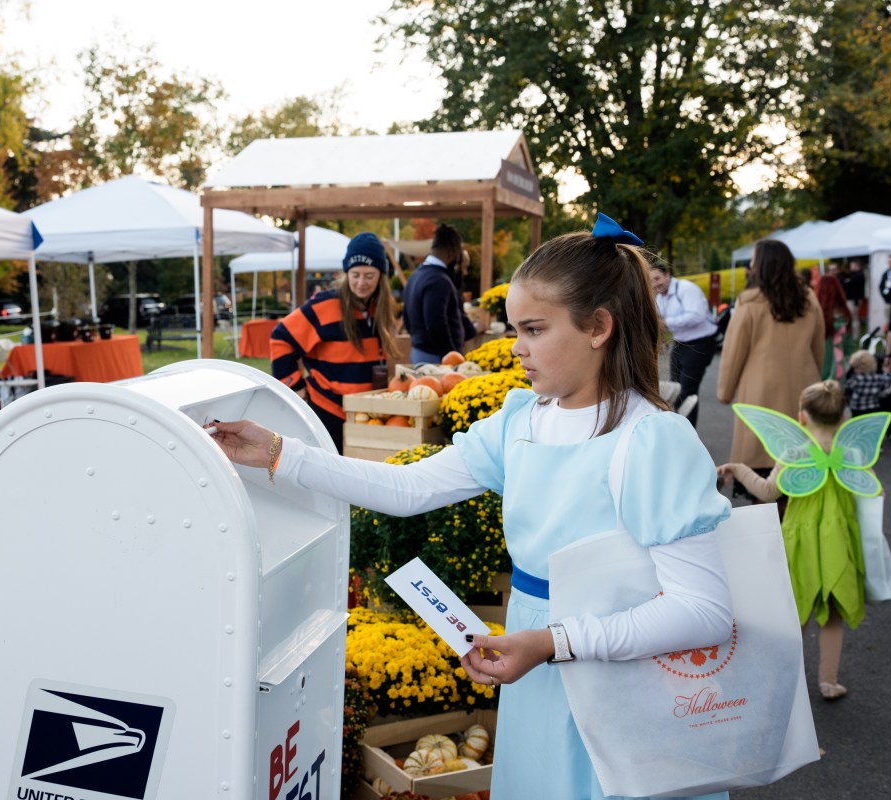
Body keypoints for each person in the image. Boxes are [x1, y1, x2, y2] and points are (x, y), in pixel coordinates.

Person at [214, 214, 734, 799]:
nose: (517, 348)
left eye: (534, 329)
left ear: (598, 327)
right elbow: (409, 489)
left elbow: (705, 611)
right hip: (537, 671)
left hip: (623, 685)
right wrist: (283, 453)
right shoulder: (523, 420)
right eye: (516, 329)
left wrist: (552, 643)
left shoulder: (653, 440)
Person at [718, 381, 887, 700]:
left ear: (801, 417)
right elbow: (874, 491)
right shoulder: (850, 453)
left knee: (796, 609)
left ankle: (787, 678)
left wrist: (739, 468)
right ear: (843, 419)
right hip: (839, 542)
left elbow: (768, 492)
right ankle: (828, 681)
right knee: (833, 612)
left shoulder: (795, 454)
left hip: (800, 543)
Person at [269, 232, 399, 451]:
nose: (361, 282)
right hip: (328, 410)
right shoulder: (325, 305)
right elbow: (280, 337)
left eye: (369, 276)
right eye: (355, 274)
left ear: (381, 276)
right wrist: (295, 388)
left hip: (366, 411)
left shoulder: (380, 307)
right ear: (346, 273)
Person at [718, 239, 824, 489]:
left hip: (759, 395)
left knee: (762, 468)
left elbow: (734, 352)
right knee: (800, 461)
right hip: (803, 389)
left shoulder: (749, 303)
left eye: (753, 261)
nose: (749, 267)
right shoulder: (808, 298)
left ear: (761, 267)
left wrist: (725, 391)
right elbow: (819, 347)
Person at [401, 223, 483, 363]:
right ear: (451, 253)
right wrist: (452, 356)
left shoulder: (416, 275)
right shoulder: (439, 281)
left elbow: (406, 318)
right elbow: (436, 325)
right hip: (436, 357)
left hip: (420, 351)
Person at [649, 262, 717, 427]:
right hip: (681, 342)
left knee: (687, 390)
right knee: (675, 388)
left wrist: (666, 322)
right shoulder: (659, 296)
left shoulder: (686, 289)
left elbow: (697, 315)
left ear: (667, 275)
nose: (655, 283)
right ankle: (678, 425)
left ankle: (688, 431)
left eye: (657, 278)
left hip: (701, 342)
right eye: (651, 280)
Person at [817, 265, 853, 379]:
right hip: (839, 371)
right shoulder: (844, 315)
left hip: (819, 369)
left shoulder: (816, 316)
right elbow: (849, 348)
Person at [844, 350, 891, 416]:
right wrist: (886, 372)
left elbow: (846, 387)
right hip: (874, 408)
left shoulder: (855, 380)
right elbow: (888, 381)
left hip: (857, 410)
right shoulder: (878, 378)